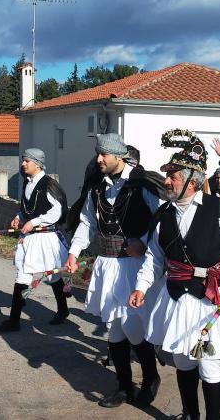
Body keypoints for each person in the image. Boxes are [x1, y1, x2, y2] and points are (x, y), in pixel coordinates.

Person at [129, 128, 220, 420]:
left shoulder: (216, 210)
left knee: (208, 366)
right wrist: (141, 287)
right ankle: (190, 414)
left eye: (174, 177)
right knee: (183, 363)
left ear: (192, 183)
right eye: (168, 176)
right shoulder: (164, 215)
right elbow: (155, 258)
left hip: (209, 300)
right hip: (177, 298)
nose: (167, 181)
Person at [65, 134, 165, 408]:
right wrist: (74, 253)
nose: (98, 159)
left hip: (134, 266)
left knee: (132, 327)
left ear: (118, 157)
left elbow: (162, 221)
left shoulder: (142, 184)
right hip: (107, 263)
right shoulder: (97, 188)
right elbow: (86, 222)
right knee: (114, 330)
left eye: (104, 155)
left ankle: (150, 378)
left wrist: (143, 243)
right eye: (98, 154)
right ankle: (124, 387)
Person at [0, 148, 69, 332]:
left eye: (26, 161)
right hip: (29, 238)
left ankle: (63, 310)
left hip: (46, 238)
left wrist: (35, 222)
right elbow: (29, 208)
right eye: (23, 160)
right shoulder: (26, 183)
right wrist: (19, 216)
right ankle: (14, 320)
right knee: (22, 275)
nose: (23, 164)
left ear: (37, 164)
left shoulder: (49, 184)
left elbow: (57, 211)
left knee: (53, 276)